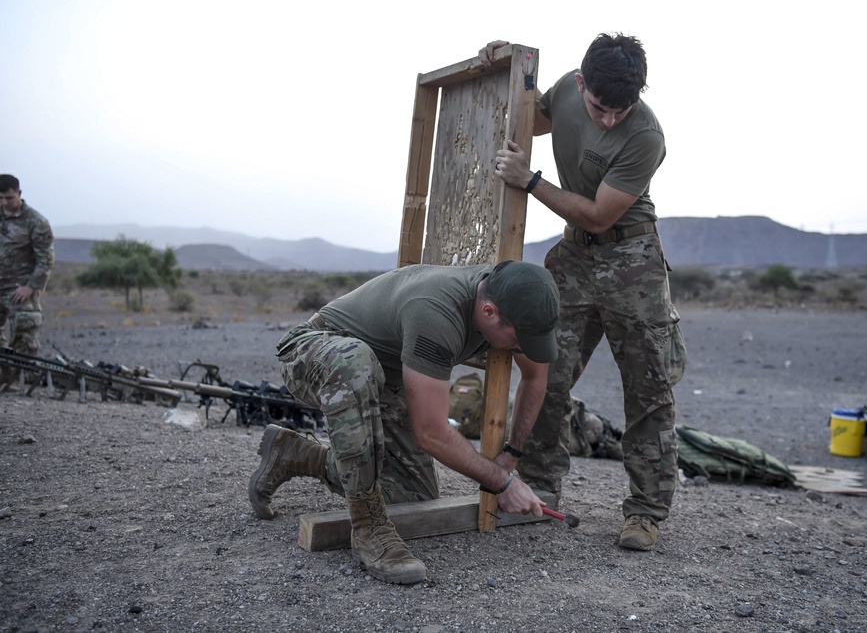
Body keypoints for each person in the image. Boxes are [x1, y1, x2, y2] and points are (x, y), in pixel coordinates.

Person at [480, 33, 688, 551]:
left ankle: (644, 513)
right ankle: (542, 485)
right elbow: (527, 117)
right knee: (544, 370)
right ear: (580, 83)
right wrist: (501, 68)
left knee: (648, 390)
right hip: (573, 257)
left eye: (622, 109)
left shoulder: (646, 135)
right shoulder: (567, 93)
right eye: (600, 107)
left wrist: (529, 181)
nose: (609, 119)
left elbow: (599, 214)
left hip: (632, 261)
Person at [248, 260, 559, 584]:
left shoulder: (513, 298)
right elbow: (432, 433)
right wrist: (502, 483)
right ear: (489, 312)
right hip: (316, 350)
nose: (521, 348)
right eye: (519, 340)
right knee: (355, 362)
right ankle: (370, 529)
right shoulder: (436, 311)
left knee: (412, 497)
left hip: (383, 378)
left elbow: (536, 375)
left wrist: (511, 454)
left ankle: (296, 454)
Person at [1, 174, 55, 388]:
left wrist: (31, 287)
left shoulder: (36, 221)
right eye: (0, 198)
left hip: (19, 287)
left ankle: (16, 379)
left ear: (19, 194)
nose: (4, 203)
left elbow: (45, 259)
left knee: (26, 327)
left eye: (9, 198)